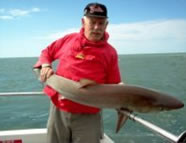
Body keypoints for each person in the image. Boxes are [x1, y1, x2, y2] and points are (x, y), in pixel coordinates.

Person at [34, 2, 121, 143]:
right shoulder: (69, 39)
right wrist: (45, 65)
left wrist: (123, 93)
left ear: (106, 25)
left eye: (101, 23)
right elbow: (47, 52)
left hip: (88, 115)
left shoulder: (110, 53)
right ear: (83, 22)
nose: (97, 28)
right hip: (59, 109)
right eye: (92, 22)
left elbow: (114, 84)